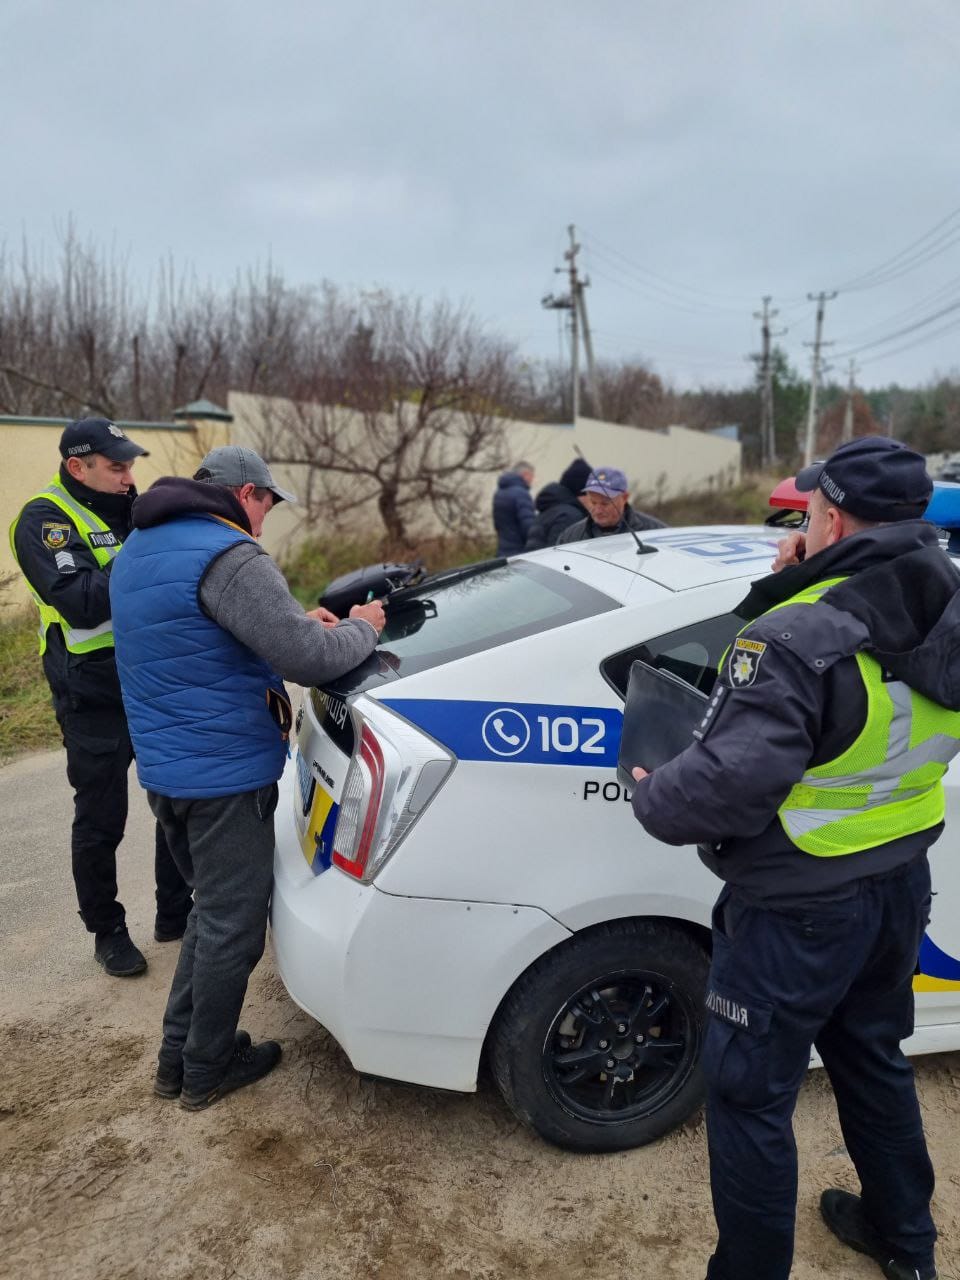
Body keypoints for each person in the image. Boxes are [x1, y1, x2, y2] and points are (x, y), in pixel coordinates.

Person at [629, 436, 960, 1280]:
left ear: (833, 516)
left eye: (811, 510)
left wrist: (651, 790)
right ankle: (906, 1244)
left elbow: (722, 791)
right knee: (875, 1062)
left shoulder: (798, 632)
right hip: (896, 887)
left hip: (795, 911)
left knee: (749, 1101)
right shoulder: (946, 598)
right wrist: (799, 579)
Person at [109, 445, 385, 1110]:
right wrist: (359, 629)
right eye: (267, 503)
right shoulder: (229, 555)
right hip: (224, 777)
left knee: (211, 914)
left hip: (170, 771)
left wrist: (295, 622)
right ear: (245, 494)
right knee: (233, 926)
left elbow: (201, 638)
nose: (264, 520)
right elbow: (307, 657)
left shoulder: (139, 548)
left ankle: (178, 1059)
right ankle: (208, 1066)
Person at [9, 417, 192, 978]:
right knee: (101, 817)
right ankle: (107, 931)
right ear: (77, 467)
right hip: (90, 691)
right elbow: (83, 602)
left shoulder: (132, 506)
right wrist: (147, 556)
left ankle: (175, 914)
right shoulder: (44, 519)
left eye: (130, 464)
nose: (128, 475)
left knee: (176, 801)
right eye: (116, 466)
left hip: (148, 681)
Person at [555, 466, 664, 543]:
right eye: (593, 502)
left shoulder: (656, 532)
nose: (597, 510)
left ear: (625, 498)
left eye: (605, 503)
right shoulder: (570, 537)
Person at [523, 457, 593, 551]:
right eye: (591, 494)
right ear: (581, 493)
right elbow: (558, 554)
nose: (593, 501)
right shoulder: (570, 516)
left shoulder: (552, 508)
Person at [492, 461, 536, 556]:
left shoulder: (499, 493)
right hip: (519, 551)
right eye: (532, 476)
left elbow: (497, 524)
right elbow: (528, 525)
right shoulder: (521, 494)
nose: (533, 479)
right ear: (525, 474)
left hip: (503, 549)